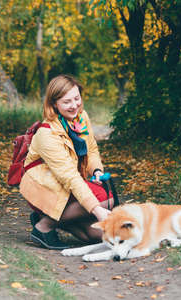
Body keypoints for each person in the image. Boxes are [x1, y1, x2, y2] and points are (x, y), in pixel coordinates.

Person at [19, 74, 113, 250]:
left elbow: (91, 150)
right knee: (105, 199)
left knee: (99, 235)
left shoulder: (81, 118)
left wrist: (96, 172)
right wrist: (97, 210)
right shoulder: (47, 133)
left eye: (77, 98)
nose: (74, 105)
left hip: (63, 187)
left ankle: (53, 218)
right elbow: (70, 177)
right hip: (44, 189)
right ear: (54, 103)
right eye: (67, 102)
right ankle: (44, 226)